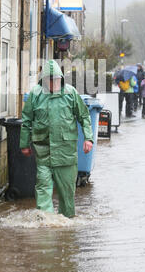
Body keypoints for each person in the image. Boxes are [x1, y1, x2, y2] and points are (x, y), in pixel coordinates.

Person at [19, 60, 94, 218]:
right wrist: (24, 144)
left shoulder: (70, 93)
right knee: (43, 186)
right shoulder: (35, 94)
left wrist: (88, 138)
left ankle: (66, 223)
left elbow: (84, 116)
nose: (53, 83)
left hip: (65, 153)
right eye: (50, 79)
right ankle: (46, 223)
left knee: (67, 192)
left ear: (61, 79)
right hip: (43, 151)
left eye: (56, 79)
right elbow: (26, 120)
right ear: (44, 79)